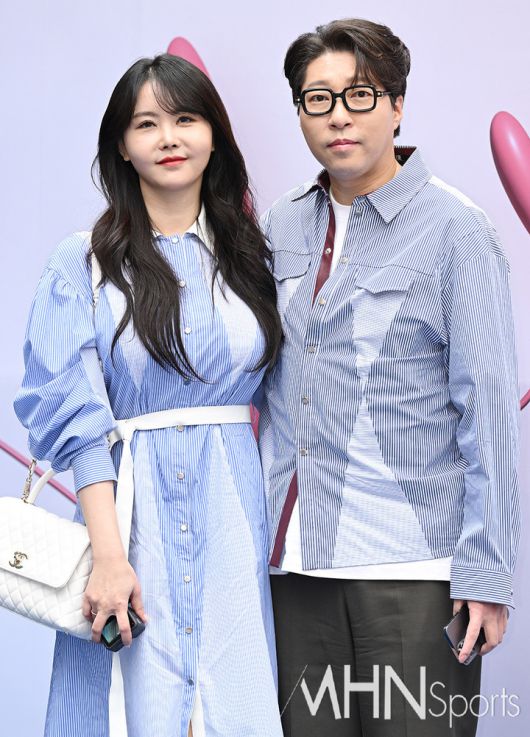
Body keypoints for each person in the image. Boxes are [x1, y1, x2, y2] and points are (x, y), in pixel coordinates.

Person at [258, 18, 520, 737]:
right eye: (318, 98)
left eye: (360, 94)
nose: (338, 116)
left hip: (413, 570)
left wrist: (487, 573)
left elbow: (489, 408)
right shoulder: (281, 225)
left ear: (397, 105)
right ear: (300, 111)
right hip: (295, 571)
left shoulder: (456, 229)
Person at [14, 54, 283, 737]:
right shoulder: (83, 263)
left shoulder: (256, 259)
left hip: (234, 524)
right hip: (132, 522)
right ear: (122, 146)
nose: (169, 138)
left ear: (214, 136)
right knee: (128, 710)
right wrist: (109, 557)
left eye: (186, 119)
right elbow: (78, 417)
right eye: (146, 124)